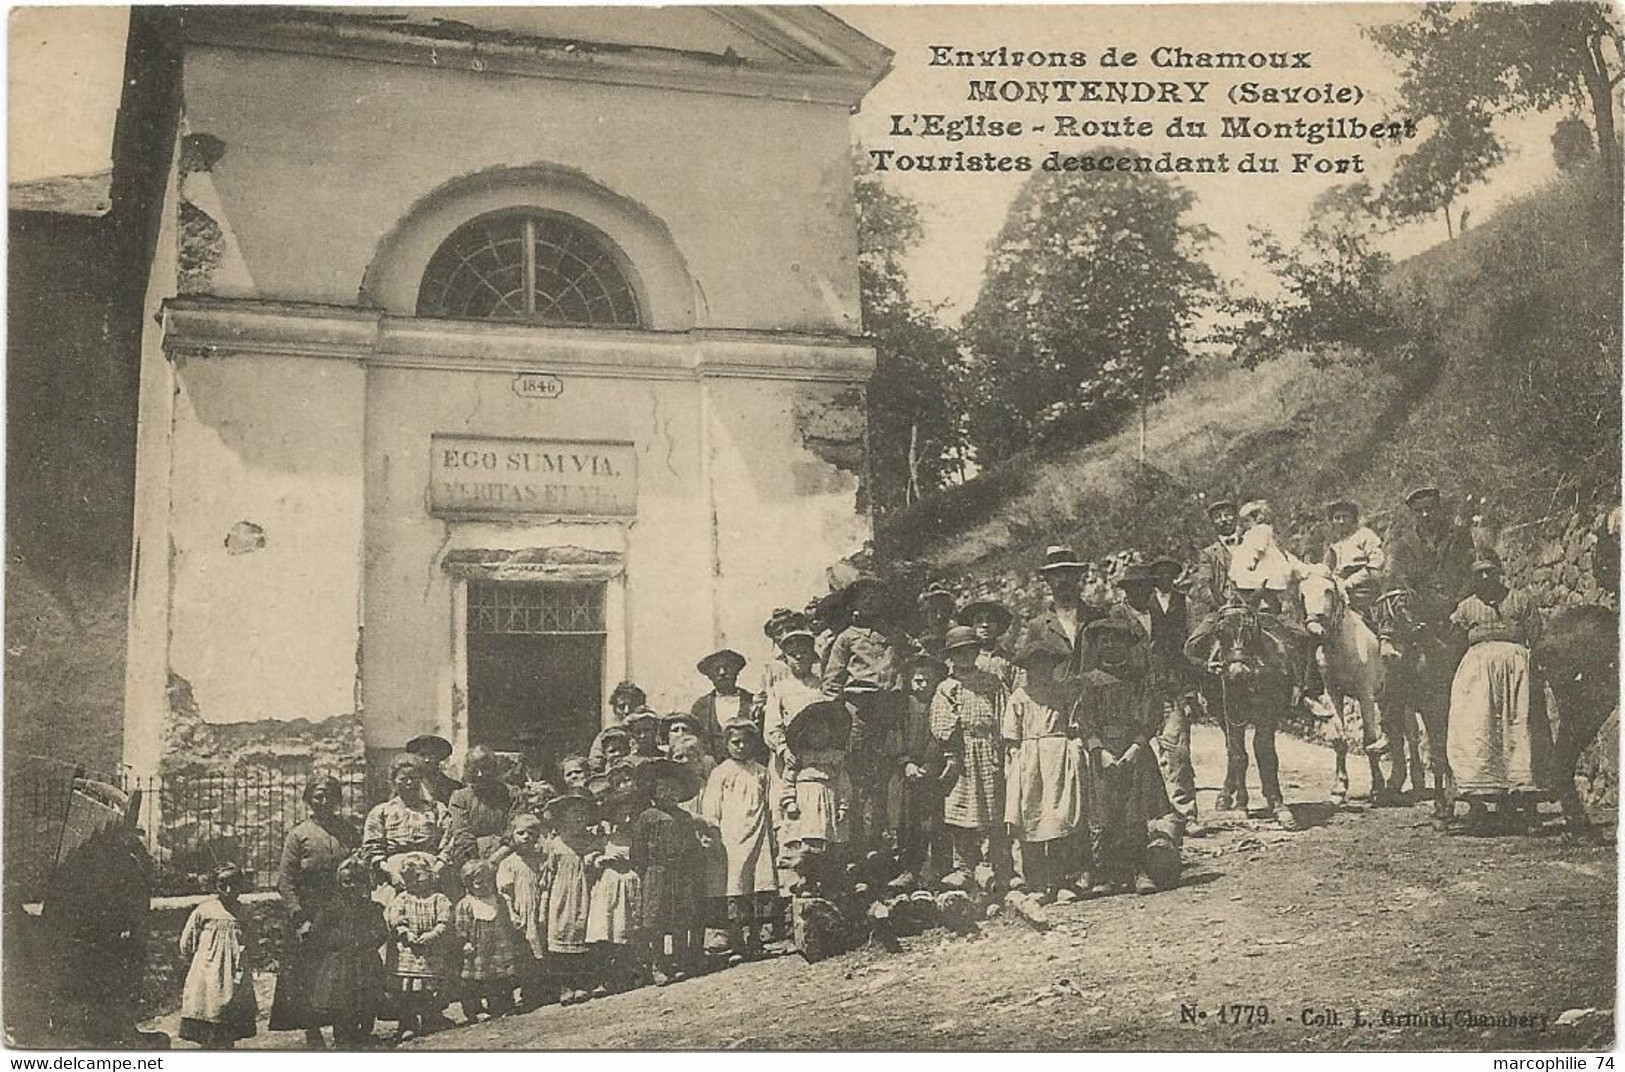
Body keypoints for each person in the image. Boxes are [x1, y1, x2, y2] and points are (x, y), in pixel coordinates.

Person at [1445, 549, 1548, 834]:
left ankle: (1524, 804)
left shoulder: (1520, 600)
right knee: (1476, 729)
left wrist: (1537, 670)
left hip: (1518, 673)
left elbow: (1536, 638)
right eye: (1479, 572)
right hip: (1476, 676)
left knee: (1520, 728)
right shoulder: (1465, 607)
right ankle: (1478, 804)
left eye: (1490, 570)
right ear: (1473, 577)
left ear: (1500, 570)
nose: (1485, 576)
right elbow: (1453, 645)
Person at [1078, 618, 1177, 896]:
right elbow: (1086, 721)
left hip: (1135, 752)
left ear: (1127, 645)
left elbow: (1150, 716)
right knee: (1106, 815)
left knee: (1135, 814)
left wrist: (1135, 748)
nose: (1111, 646)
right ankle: (1109, 874)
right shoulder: (1089, 681)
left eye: (1117, 640)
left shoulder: (1140, 680)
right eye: (1105, 641)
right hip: (1102, 755)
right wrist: (1099, 750)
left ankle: (1139, 871)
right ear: (1098, 645)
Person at [271, 776, 359, 1048]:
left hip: (342, 912)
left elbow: (359, 867)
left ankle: (344, 1031)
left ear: (337, 801)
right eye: (318, 796)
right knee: (309, 974)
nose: (324, 802)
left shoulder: (348, 831)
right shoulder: (299, 835)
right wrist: (299, 918)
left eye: (329, 796)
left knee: (342, 972)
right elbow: (284, 882)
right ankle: (312, 1031)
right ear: (309, 799)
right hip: (310, 913)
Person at [1111, 564, 1200, 835]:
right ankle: (1137, 819)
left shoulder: (1160, 614)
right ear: (1126, 591)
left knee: (1177, 751)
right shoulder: (1116, 615)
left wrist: (1187, 689)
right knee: (1131, 754)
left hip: (1166, 689)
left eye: (1144, 587)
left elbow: (1176, 653)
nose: (1140, 592)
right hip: (1131, 695)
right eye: (1134, 588)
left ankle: (1185, 814)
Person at [1002, 631, 1086, 903]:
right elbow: (1010, 737)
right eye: (1034, 667)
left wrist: (1072, 747)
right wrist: (1015, 765)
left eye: (1046, 666)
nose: (1041, 671)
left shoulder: (1063, 692)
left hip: (1058, 760)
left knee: (1059, 819)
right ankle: (1037, 884)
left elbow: (1074, 724)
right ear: (1026, 670)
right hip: (1029, 762)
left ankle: (1061, 881)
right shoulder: (1019, 697)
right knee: (1031, 818)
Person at [822, 576, 905, 851]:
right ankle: (857, 844)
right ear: (855, 603)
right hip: (858, 709)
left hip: (888, 709)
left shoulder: (894, 634)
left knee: (888, 771)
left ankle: (886, 839)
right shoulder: (846, 638)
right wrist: (833, 719)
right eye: (864, 597)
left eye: (874, 597)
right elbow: (832, 682)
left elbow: (911, 660)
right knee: (856, 772)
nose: (870, 601)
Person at [931, 625, 1008, 891]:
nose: (965, 656)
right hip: (961, 753)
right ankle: (962, 866)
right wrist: (952, 754)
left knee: (990, 806)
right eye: (958, 652)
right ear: (951, 657)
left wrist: (1001, 748)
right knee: (960, 807)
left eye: (970, 651)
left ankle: (988, 865)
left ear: (977, 652)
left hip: (988, 749)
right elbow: (941, 724)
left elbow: (1002, 716)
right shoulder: (947, 687)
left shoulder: (991, 683)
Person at [697, 719, 780, 964]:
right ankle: (736, 942)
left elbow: (769, 803)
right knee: (735, 889)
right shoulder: (721, 772)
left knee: (756, 887)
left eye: (746, 741)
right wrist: (711, 831)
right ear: (727, 745)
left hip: (758, 834)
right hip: (731, 838)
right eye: (736, 742)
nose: (741, 746)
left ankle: (755, 941)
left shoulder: (762, 772)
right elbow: (711, 806)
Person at [633, 760, 706, 986]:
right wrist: (646, 872)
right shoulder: (648, 816)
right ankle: (657, 964)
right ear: (653, 792)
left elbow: (692, 848)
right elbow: (637, 850)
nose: (670, 794)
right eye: (663, 789)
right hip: (656, 875)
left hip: (681, 875)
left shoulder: (684, 817)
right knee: (656, 921)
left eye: (674, 790)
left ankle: (680, 961)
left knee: (680, 919)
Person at [305, 854, 389, 1048]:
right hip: (340, 963)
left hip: (365, 961)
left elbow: (381, 932)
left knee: (368, 999)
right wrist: (337, 943)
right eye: (347, 882)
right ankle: (343, 1036)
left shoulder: (371, 908)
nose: (352, 887)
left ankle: (364, 1033)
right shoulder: (330, 909)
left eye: (357, 882)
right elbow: (318, 933)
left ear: (364, 883)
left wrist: (365, 943)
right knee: (341, 1000)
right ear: (339, 883)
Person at [178, 864, 258, 1049]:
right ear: (215, 885)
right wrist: (200, 963)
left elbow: (252, 941)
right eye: (223, 885)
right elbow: (187, 943)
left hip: (234, 973)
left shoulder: (244, 912)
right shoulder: (204, 910)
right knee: (209, 1013)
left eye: (234, 884)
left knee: (229, 1019)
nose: (229, 890)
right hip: (207, 972)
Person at [890, 653, 950, 889]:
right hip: (908, 773)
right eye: (917, 680)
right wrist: (906, 763)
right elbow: (896, 738)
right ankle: (909, 870)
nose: (922, 684)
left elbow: (941, 737)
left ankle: (934, 873)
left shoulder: (941, 705)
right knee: (908, 823)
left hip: (933, 773)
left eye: (927, 680)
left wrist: (930, 766)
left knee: (933, 824)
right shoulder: (903, 707)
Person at [383, 852, 452, 1041]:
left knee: (428, 988)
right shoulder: (403, 898)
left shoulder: (439, 899)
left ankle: (431, 1018)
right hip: (408, 952)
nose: (415, 881)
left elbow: (444, 921)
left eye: (419, 876)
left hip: (431, 951)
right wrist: (406, 933)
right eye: (410, 878)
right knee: (407, 990)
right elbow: (396, 919)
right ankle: (408, 1023)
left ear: (430, 874)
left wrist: (433, 934)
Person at [781, 699, 855, 868]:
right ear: (805, 735)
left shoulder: (835, 758)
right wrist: (789, 801)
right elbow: (788, 781)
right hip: (805, 806)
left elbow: (843, 784)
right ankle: (806, 879)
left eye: (822, 732)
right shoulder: (800, 758)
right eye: (813, 732)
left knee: (829, 844)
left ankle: (827, 881)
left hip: (828, 803)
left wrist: (843, 806)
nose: (818, 736)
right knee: (805, 843)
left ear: (830, 733)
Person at [363, 755, 450, 899]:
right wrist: (391, 873)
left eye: (414, 778)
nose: (409, 782)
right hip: (393, 877)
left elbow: (449, 842)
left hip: (431, 874)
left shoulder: (437, 809)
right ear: (393, 782)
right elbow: (372, 849)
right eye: (403, 779)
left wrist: (435, 870)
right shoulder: (381, 811)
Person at [539, 791, 597, 1004]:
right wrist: (545, 903)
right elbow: (547, 876)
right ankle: (565, 985)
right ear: (562, 818)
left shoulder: (591, 841)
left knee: (582, 936)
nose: (579, 818)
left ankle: (581, 984)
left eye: (583, 814)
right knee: (561, 936)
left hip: (585, 895)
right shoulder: (556, 845)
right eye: (574, 814)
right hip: (562, 897)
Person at [586, 787, 645, 995]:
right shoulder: (606, 838)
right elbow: (590, 857)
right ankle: (604, 978)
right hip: (608, 887)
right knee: (605, 930)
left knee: (625, 930)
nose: (627, 819)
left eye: (632, 814)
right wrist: (598, 859)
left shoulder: (638, 837)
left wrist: (629, 861)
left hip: (629, 884)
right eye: (623, 814)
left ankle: (626, 975)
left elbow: (644, 859)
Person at [454, 859, 522, 1020]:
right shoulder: (466, 904)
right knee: (474, 980)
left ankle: (502, 1005)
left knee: (501, 976)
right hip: (478, 947)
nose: (485, 885)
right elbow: (461, 926)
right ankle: (475, 1009)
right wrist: (465, 942)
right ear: (468, 884)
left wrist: (514, 919)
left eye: (489, 881)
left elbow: (509, 913)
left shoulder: (500, 899)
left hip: (500, 943)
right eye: (479, 883)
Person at [495, 813, 547, 1009]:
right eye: (521, 833)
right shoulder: (509, 863)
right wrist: (512, 913)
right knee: (525, 951)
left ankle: (541, 989)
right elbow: (505, 893)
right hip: (521, 910)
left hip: (539, 907)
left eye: (531, 833)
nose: (526, 837)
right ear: (512, 836)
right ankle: (526, 992)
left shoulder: (540, 858)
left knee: (542, 947)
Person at [1026, 546, 1105, 675]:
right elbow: (1034, 675)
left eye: (1069, 573)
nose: (1063, 579)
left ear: (1078, 577)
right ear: (1047, 580)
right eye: (1056, 574)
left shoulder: (1097, 617)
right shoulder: (1037, 626)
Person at [1324, 499, 1389, 640]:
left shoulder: (1365, 535)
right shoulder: (1334, 545)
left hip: (1362, 588)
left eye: (1345, 517)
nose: (1341, 521)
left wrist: (1350, 582)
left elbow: (1376, 562)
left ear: (1353, 518)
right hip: (1339, 589)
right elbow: (1327, 569)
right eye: (1337, 518)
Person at [445, 747, 517, 870]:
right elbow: (462, 834)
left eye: (485, 768)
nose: (480, 774)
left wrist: (496, 858)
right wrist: (478, 865)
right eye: (474, 769)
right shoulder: (460, 797)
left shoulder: (512, 794)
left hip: (506, 856)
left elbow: (516, 829)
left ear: (494, 769)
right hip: (471, 860)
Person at [1229, 500, 1304, 612]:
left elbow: (1258, 549)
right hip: (1261, 565)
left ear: (1257, 518)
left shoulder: (1260, 530)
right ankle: (1257, 601)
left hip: (1267, 565)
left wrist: (1251, 563)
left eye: (1247, 521)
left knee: (1262, 583)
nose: (1245, 524)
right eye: (1243, 522)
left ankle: (1265, 603)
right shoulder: (1251, 533)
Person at [691, 650, 752, 756]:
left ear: (736, 671)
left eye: (727, 667)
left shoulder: (751, 701)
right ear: (710, 676)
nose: (722, 672)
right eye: (716, 669)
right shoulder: (701, 706)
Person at [589, 682, 657, 768]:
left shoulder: (651, 729)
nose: (626, 711)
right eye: (621, 707)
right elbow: (595, 766)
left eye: (632, 705)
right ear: (614, 709)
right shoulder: (604, 737)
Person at [958, 598, 1018, 688]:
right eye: (979, 621)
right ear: (972, 626)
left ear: (998, 625)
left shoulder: (1009, 661)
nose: (985, 625)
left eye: (990, 620)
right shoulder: (961, 659)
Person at [404, 735, 462, 804]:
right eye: (422, 755)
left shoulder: (453, 787)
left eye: (431, 755)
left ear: (439, 758)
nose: (427, 760)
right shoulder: (407, 785)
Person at [914, 582, 957, 658]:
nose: (939, 617)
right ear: (925, 615)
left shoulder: (958, 639)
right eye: (933, 612)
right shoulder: (921, 644)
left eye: (944, 611)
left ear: (951, 613)